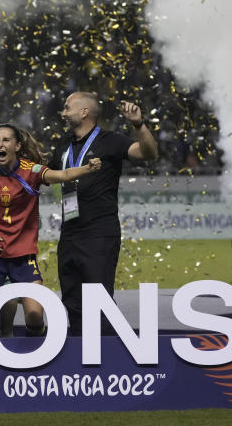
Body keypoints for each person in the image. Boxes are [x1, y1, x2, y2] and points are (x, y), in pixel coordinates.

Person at [0, 123, 102, 336]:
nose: (0, 144)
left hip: (23, 255)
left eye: (5, 140)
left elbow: (63, 174)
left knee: (35, 316)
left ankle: (35, 349)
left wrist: (87, 168)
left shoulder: (32, 171)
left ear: (17, 145)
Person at [49, 92, 158, 334]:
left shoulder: (111, 140)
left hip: (99, 232)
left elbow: (148, 153)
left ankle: (110, 357)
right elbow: (45, 173)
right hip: (69, 233)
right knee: (73, 300)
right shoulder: (63, 144)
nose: (63, 113)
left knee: (98, 299)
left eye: (67, 108)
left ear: (84, 112)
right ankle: (80, 354)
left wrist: (138, 124)